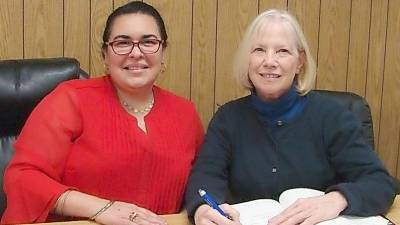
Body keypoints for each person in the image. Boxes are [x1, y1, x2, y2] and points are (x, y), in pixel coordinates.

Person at [184, 9, 397, 225]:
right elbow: (204, 180)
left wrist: (338, 199)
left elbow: (380, 183)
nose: (269, 61)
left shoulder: (333, 117)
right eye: (259, 50)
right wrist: (202, 210)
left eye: (282, 51)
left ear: (300, 62)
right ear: (247, 59)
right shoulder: (227, 118)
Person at [1, 1, 204, 225]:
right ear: (105, 56)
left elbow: (203, 182)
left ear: (163, 51)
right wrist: (101, 208)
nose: (136, 53)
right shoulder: (71, 99)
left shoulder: (185, 113)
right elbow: (23, 177)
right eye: (122, 43)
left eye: (149, 42)